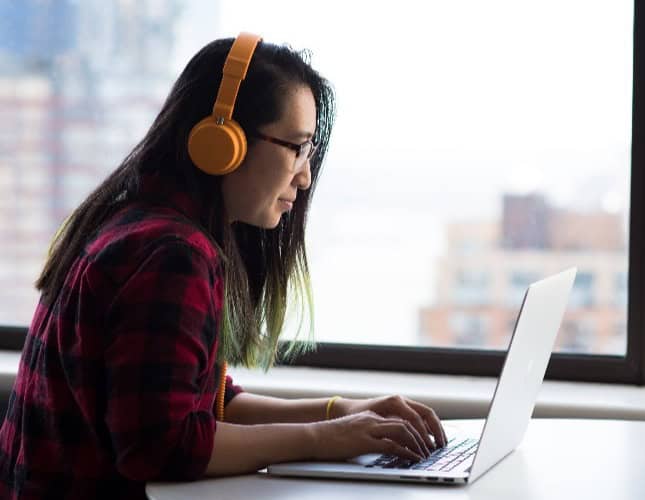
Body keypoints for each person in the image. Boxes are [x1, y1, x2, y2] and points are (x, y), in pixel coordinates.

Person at [0, 33, 446, 499]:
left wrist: (339, 412)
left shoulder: (141, 222)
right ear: (222, 141)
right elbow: (160, 445)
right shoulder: (171, 254)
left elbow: (207, 402)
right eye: (296, 147)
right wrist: (323, 440)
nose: (306, 175)